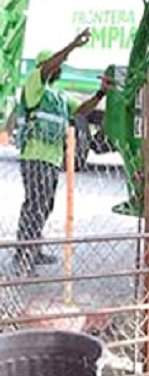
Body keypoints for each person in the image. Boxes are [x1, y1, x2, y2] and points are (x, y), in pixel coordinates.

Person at [14, 28, 110, 273]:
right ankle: (23, 256)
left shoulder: (57, 97)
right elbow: (48, 66)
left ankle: (33, 249)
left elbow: (81, 111)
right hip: (35, 156)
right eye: (55, 64)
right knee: (35, 205)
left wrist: (101, 93)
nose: (59, 68)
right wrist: (73, 45)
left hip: (52, 159)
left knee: (44, 206)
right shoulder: (34, 85)